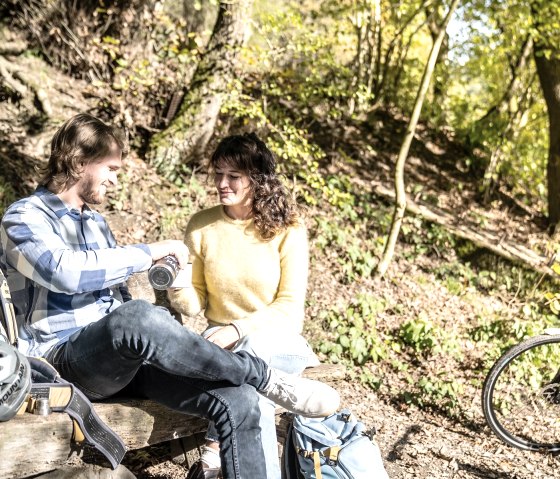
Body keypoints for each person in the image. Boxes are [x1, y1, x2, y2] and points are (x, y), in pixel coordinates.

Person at [0, 113, 340, 479]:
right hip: (61, 361)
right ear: (80, 160)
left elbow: (119, 301)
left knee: (239, 400)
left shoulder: (95, 223)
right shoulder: (23, 217)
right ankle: (261, 374)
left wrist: (167, 335)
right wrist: (149, 251)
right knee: (140, 317)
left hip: (121, 360)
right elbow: (61, 271)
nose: (115, 180)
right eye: (111, 169)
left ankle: (252, 384)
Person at [168, 133, 321, 479]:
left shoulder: (288, 230)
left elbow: (289, 309)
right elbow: (195, 302)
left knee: (249, 355)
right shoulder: (202, 226)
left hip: (278, 343)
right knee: (257, 403)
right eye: (218, 173)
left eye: (233, 176)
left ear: (257, 179)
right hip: (220, 346)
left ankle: (211, 454)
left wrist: (236, 330)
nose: (222, 183)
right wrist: (177, 284)